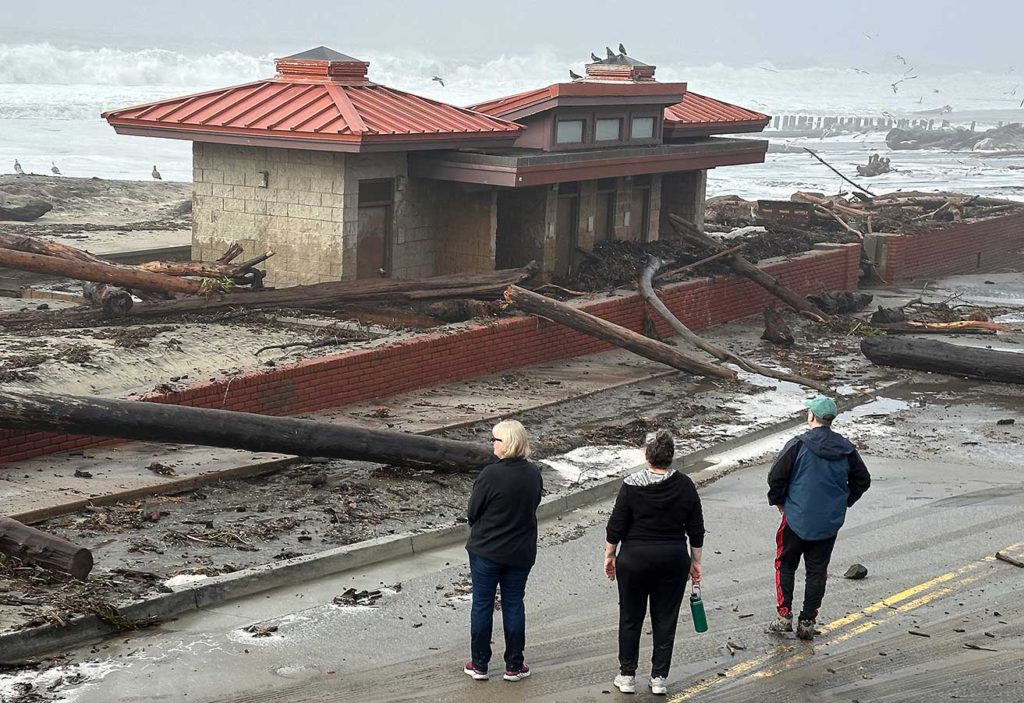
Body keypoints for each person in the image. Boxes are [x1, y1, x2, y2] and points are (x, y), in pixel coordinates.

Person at [604, 430, 704, 696]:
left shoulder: (631, 484)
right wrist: (695, 562)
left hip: (634, 559)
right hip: (672, 559)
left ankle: (627, 675)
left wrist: (609, 554)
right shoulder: (685, 485)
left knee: (630, 617)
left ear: (647, 455)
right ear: (671, 456)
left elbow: (616, 526)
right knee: (665, 618)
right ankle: (659, 677)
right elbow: (696, 528)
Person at [767, 395, 871, 640]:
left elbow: (775, 477)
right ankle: (807, 623)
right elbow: (863, 480)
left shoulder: (798, 444)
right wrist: (844, 501)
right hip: (828, 522)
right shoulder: (846, 449)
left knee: (785, 563)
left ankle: (784, 617)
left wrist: (779, 501)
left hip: (795, 518)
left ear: (811, 416)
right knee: (817, 571)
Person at [463, 419, 543, 683]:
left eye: (495, 439)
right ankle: (514, 665)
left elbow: (473, 512)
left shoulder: (490, 475)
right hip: (520, 551)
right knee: (513, 604)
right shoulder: (533, 474)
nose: (492, 444)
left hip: (486, 551)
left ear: (506, 444)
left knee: (482, 604)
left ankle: (479, 664)